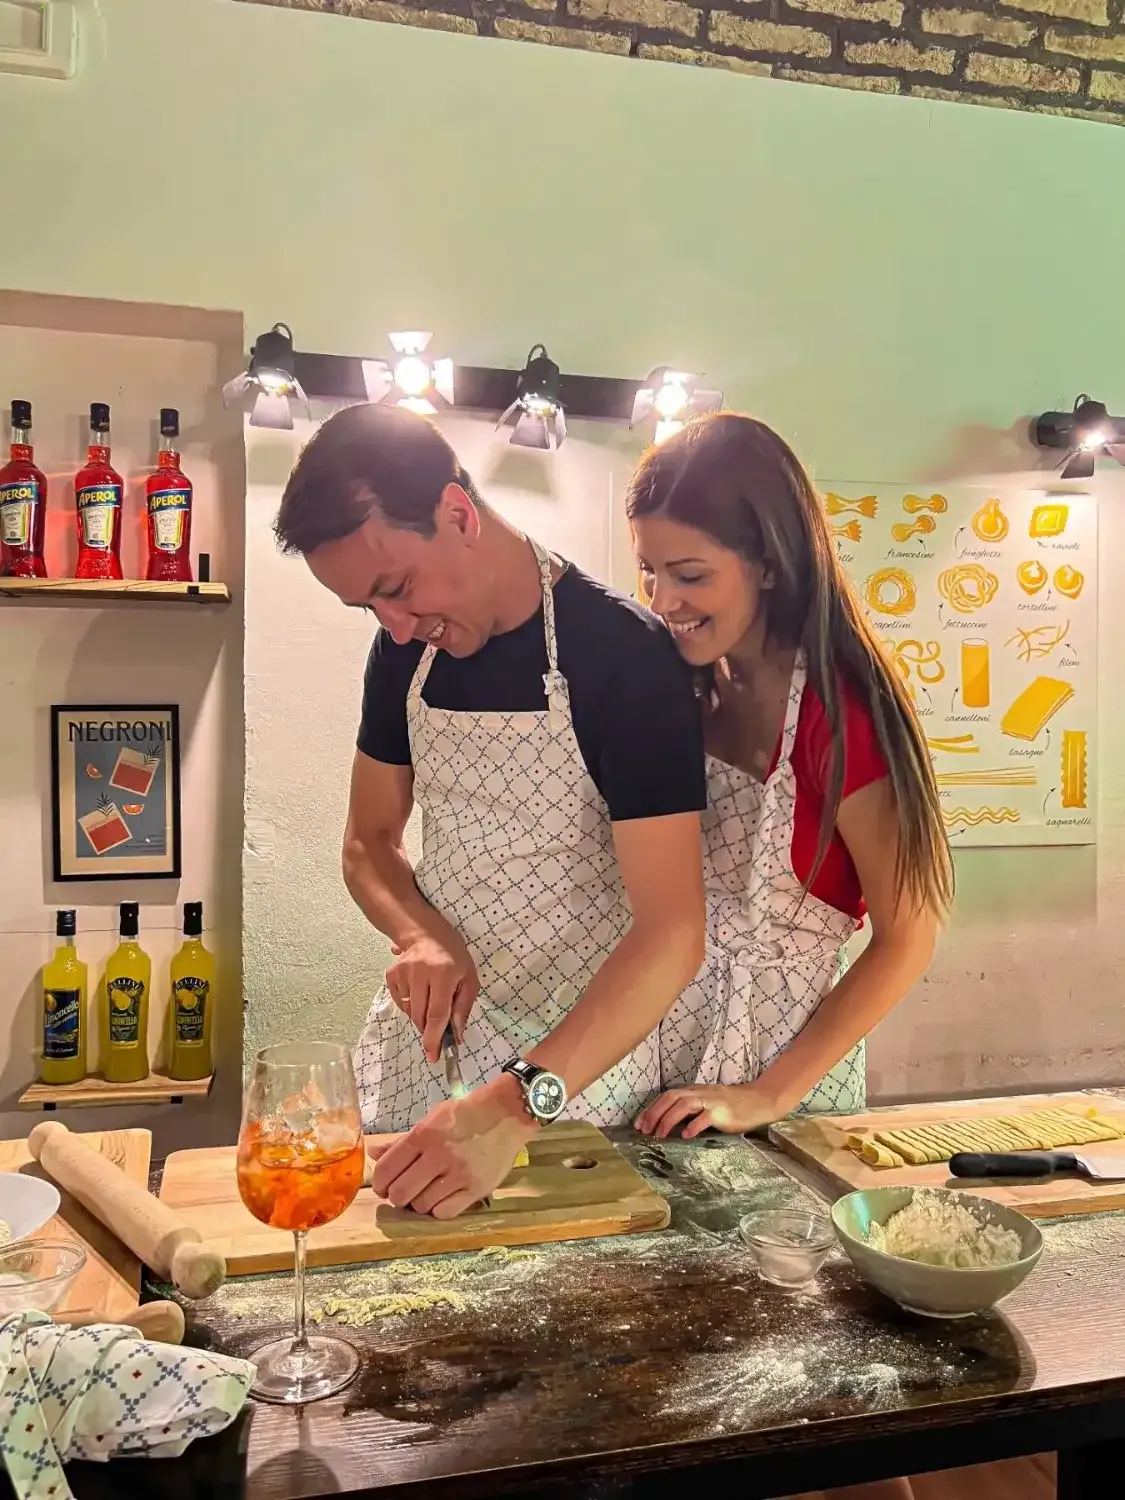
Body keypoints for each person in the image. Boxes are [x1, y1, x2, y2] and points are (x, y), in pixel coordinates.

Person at [274, 402, 706, 1216]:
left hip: (579, 1069)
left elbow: (672, 933)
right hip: (434, 1046)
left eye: (394, 589)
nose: (395, 628)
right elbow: (368, 843)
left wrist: (513, 1108)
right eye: (367, 609)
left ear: (457, 512)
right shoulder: (403, 657)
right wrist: (421, 934)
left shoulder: (619, 654)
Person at [626, 412, 953, 1140]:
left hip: (783, 1064)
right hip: (656, 1043)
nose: (661, 602)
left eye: (689, 575)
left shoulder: (838, 721)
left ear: (768, 563)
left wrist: (769, 1094)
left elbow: (909, 936)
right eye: (648, 570)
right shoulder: (684, 691)